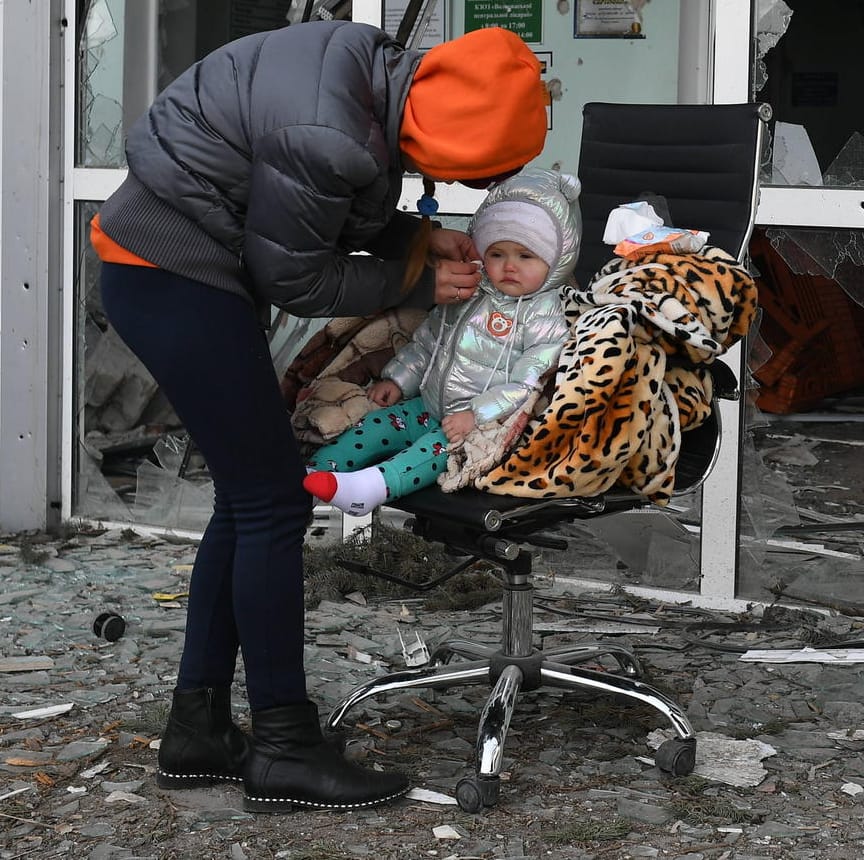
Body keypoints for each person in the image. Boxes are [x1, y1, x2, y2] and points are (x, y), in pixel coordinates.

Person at [90, 20, 549, 813]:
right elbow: (297, 274)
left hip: (168, 262)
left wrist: (415, 238)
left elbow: (314, 205)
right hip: (171, 271)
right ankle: (284, 749)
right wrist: (411, 280)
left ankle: (197, 730)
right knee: (271, 500)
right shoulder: (335, 132)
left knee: (247, 499)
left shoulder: (366, 65)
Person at [302, 169, 581, 515]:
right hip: (429, 405)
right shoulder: (470, 289)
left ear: (554, 260)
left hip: (477, 426)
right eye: (497, 254)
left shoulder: (544, 315)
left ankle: (368, 488)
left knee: (427, 455)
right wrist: (398, 380)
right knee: (375, 424)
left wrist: (475, 415)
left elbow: (527, 385)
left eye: (525, 256)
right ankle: (316, 473)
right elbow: (429, 341)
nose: (509, 266)